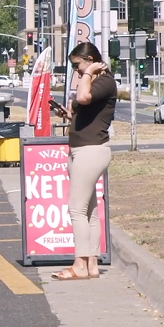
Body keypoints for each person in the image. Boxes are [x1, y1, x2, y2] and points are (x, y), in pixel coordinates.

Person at [50, 42, 115, 281]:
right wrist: (70, 115)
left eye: (77, 65)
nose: (76, 71)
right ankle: (92, 264)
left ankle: (79, 264)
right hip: (81, 149)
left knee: (76, 208)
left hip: (91, 150)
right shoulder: (96, 80)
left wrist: (88, 73)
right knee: (88, 210)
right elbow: (87, 110)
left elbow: (84, 97)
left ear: (89, 59)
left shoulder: (104, 81)